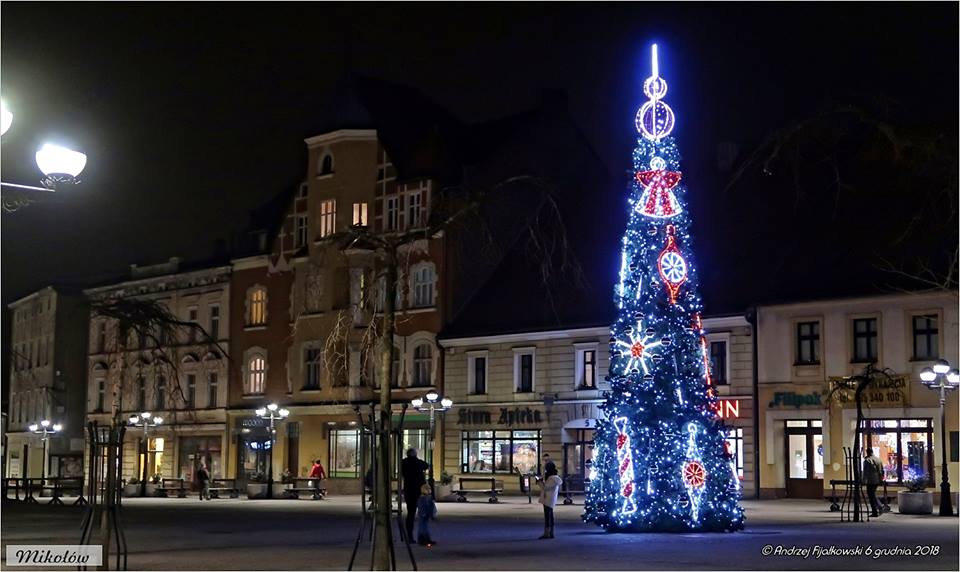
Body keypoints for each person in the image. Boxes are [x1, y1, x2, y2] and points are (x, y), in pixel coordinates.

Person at [401, 448, 429, 542]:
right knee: (423, 514)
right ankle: (423, 536)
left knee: (411, 513)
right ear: (415, 454)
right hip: (419, 491)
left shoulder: (404, 463)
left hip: (409, 490)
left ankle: (410, 536)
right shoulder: (418, 462)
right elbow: (426, 465)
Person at [538, 463, 562, 539]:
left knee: (547, 516)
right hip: (550, 498)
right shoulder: (555, 478)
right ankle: (551, 532)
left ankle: (547, 533)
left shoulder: (551, 478)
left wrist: (539, 482)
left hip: (547, 498)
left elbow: (545, 487)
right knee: (550, 515)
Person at [862, 447, 884, 517]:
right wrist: (881, 479)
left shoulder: (867, 460)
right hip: (877, 480)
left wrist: (863, 480)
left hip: (870, 480)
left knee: (871, 495)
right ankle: (879, 506)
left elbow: (866, 472)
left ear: (867, 452)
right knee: (873, 494)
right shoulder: (878, 459)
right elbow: (882, 471)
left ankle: (876, 510)